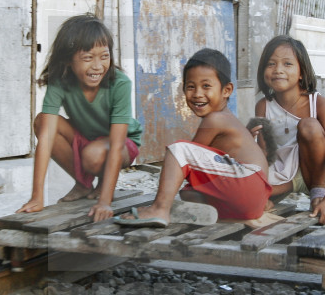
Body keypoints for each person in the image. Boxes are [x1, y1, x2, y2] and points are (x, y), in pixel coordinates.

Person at [113, 49, 270, 226]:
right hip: (255, 198)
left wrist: (164, 195)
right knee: (189, 193)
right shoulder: (229, 119)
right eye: (190, 86)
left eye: (206, 86)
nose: (197, 94)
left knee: (179, 149)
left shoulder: (215, 119)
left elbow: (186, 158)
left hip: (247, 184)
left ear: (227, 90)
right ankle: (208, 213)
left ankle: (159, 209)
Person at [18, 14, 143, 223]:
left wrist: (105, 200)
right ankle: (84, 184)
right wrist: (36, 196)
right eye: (87, 58)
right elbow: (46, 136)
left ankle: (102, 184)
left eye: (104, 56)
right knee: (42, 122)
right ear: (68, 59)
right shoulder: (60, 81)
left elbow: (116, 142)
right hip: (87, 139)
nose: (97, 66)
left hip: (121, 145)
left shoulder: (120, 83)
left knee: (93, 155)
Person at [252, 35, 325, 224]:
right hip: (281, 173)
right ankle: (287, 187)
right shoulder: (263, 105)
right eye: (271, 64)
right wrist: (259, 192)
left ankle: (317, 190)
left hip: (312, 172)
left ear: (302, 72)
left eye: (287, 64)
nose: (278, 70)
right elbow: (265, 155)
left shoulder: (317, 103)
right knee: (244, 194)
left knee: (308, 126)